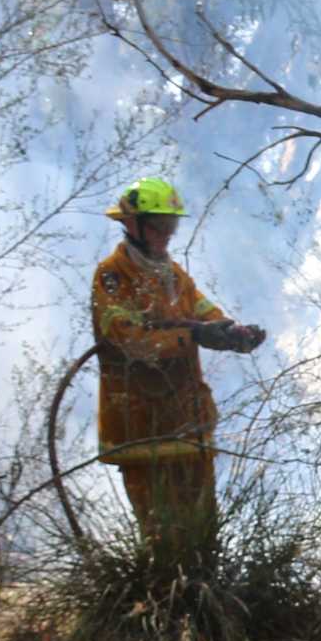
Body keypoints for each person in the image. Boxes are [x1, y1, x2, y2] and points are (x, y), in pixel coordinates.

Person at [91, 177, 263, 554]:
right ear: (132, 224)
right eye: (160, 226)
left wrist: (235, 334)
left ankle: (204, 607)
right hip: (141, 426)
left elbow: (206, 316)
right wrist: (193, 337)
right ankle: (166, 607)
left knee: (203, 534)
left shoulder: (175, 276)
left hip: (187, 420)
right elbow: (131, 341)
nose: (168, 235)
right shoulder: (113, 277)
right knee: (160, 538)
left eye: (173, 225)